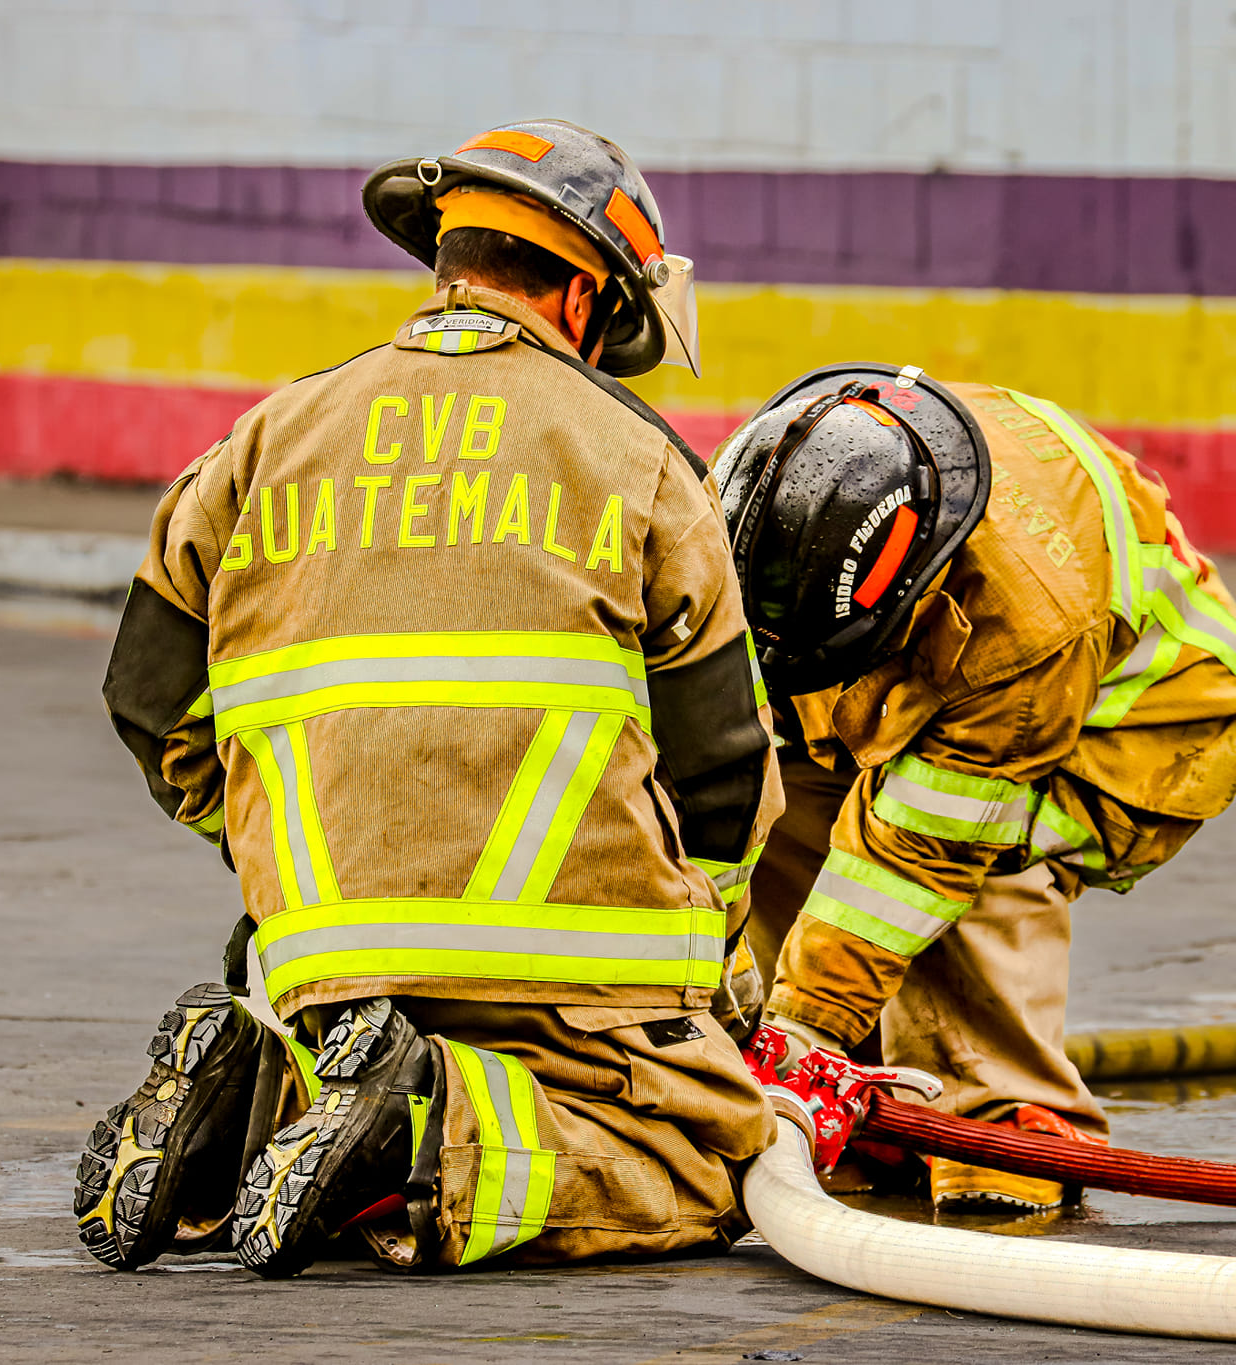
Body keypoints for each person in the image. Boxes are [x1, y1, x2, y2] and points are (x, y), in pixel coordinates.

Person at [78, 119, 782, 1277]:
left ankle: (257, 1099)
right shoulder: (641, 458)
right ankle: (422, 1129)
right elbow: (722, 771)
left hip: (325, 955)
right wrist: (706, 970)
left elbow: (149, 703)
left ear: (448, 261)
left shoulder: (262, 439)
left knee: (355, 1079)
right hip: (571, 981)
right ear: (582, 297)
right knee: (698, 1157)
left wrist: (280, 847)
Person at [715, 364, 1236, 1214]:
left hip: (1139, 731)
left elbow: (919, 857)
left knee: (974, 855)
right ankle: (857, 1098)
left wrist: (805, 1018)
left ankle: (1001, 1119)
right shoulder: (770, 487)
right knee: (786, 784)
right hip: (962, 665)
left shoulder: (1024, 623)